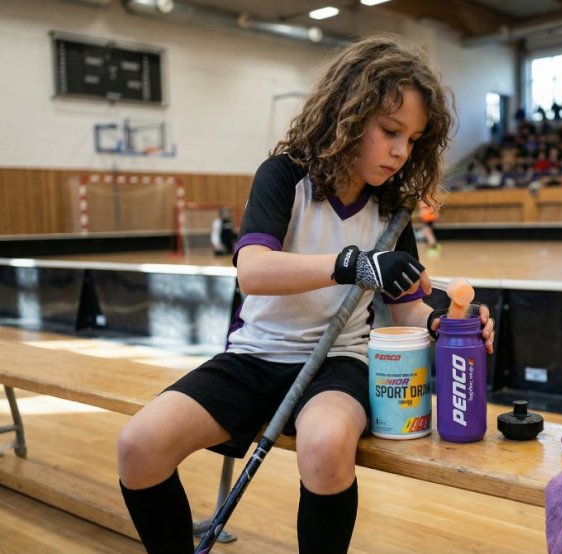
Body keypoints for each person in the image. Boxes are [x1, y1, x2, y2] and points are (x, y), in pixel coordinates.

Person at [116, 34, 496, 554]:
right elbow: (253, 271)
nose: (400, 151)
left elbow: (407, 301)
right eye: (389, 131)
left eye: (412, 140)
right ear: (348, 114)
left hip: (340, 363)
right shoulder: (283, 176)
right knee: (139, 446)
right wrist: (352, 265)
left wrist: (443, 324)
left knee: (325, 443)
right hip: (253, 357)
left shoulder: (393, 209)